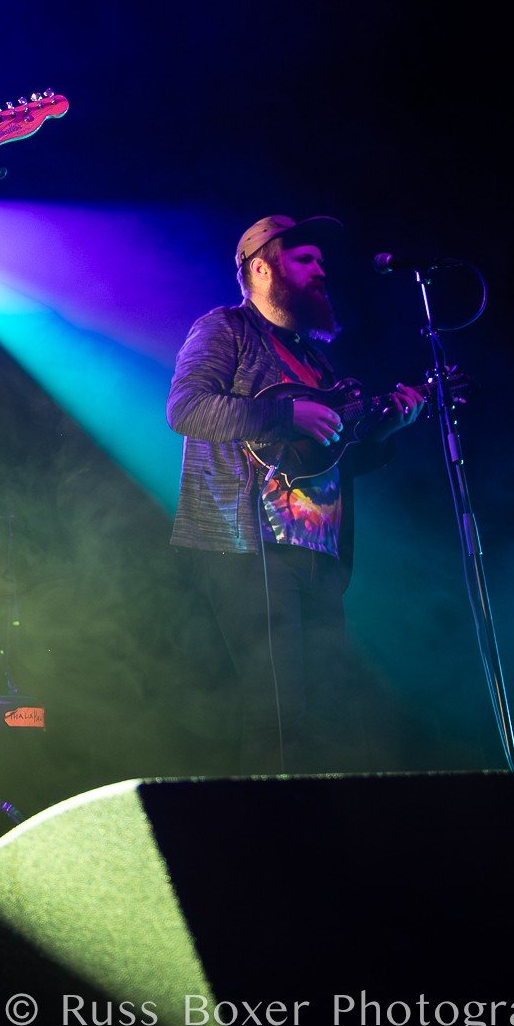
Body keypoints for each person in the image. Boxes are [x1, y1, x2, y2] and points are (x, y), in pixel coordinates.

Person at [167, 214, 424, 775]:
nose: (320, 270)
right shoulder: (225, 328)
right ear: (260, 268)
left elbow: (330, 461)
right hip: (247, 547)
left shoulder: (316, 361)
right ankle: (271, 846)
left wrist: (385, 431)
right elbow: (185, 408)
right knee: (277, 711)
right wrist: (284, 414)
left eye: (320, 262)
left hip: (317, 554)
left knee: (332, 710)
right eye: (304, 260)